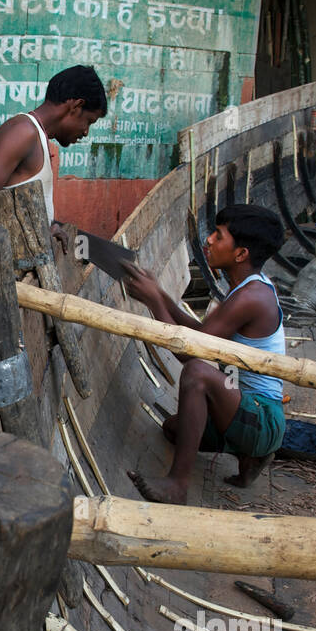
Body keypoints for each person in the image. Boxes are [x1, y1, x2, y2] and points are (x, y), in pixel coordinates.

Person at [123, 205, 288, 506]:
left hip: (261, 415)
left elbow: (191, 352)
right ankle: (249, 456)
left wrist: (153, 302)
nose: (209, 240)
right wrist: (159, 295)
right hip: (245, 408)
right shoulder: (247, 289)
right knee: (174, 429)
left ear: (241, 254)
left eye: (219, 236)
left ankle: (177, 485)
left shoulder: (250, 297)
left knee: (197, 373)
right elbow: (202, 333)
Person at [0, 64, 107, 238]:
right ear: (76, 106)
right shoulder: (23, 132)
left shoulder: (38, 137)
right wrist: (40, 232)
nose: (85, 132)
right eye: (89, 121)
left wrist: (45, 230)